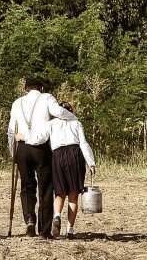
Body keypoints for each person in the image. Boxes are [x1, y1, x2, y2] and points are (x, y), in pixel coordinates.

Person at [7, 78, 75, 238]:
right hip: (40, 148)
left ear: (26, 89)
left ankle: (29, 219)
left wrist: (13, 153)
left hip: (22, 147)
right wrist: (72, 117)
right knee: (46, 188)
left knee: (27, 185)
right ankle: (44, 230)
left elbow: (11, 129)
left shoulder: (17, 103)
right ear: (41, 88)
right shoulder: (47, 98)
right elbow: (58, 112)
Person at [16, 102, 95, 239]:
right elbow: (83, 143)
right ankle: (70, 230)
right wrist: (91, 163)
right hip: (74, 155)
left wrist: (24, 138)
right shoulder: (76, 123)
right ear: (70, 111)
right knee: (73, 195)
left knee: (59, 193)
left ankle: (57, 215)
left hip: (58, 156)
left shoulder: (51, 124)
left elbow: (39, 138)